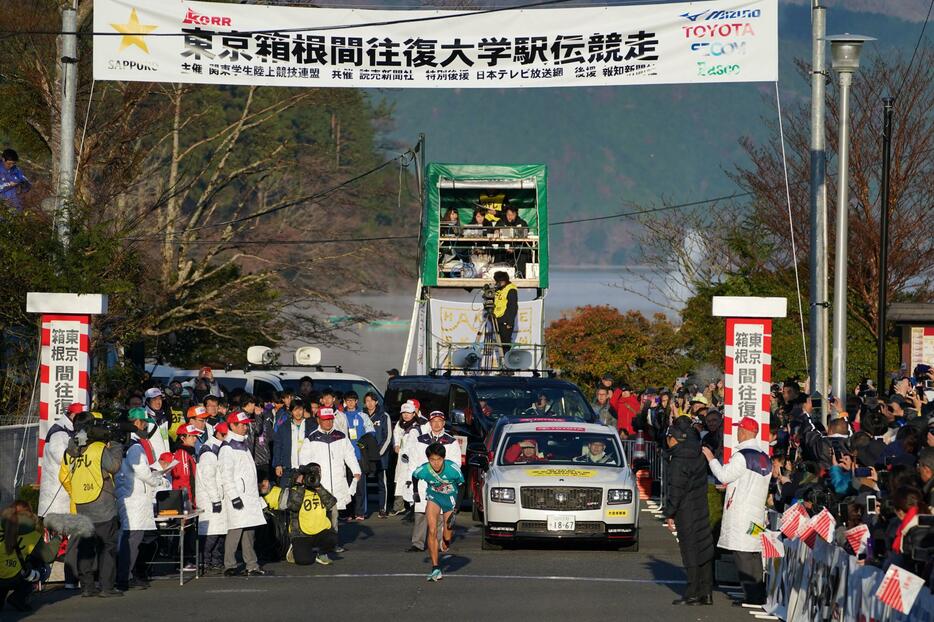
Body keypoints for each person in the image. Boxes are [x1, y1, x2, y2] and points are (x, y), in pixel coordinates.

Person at [701, 417, 771, 607]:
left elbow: (723, 475)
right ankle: (758, 593)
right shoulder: (764, 456)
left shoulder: (742, 456)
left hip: (742, 512)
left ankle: (751, 595)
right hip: (757, 512)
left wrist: (711, 458)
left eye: (738, 429)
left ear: (745, 432)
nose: (736, 433)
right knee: (754, 552)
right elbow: (748, 481)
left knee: (742, 553)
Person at [60, 412, 125, 598]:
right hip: (102, 503)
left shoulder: (70, 450)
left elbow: (64, 475)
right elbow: (114, 466)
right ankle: (107, 587)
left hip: (81, 502)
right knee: (107, 546)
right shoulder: (98, 447)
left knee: (86, 548)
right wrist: (117, 446)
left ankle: (87, 587)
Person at [115, 408, 169, 591]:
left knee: (132, 539)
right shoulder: (135, 446)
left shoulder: (126, 442)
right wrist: (157, 479)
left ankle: (128, 575)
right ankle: (124, 577)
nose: (146, 425)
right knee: (132, 540)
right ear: (136, 422)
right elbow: (142, 470)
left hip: (130, 494)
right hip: (135, 497)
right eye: (144, 422)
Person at [662, 417, 714, 606]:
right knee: (704, 546)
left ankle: (692, 591)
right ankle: (706, 592)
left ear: (675, 438)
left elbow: (676, 489)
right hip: (700, 504)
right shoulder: (698, 453)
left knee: (690, 548)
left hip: (685, 509)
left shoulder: (678, 459)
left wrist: (669, 513)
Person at [298, 408, 361, 551]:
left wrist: (356, 470)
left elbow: (349, 455)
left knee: (334, 514)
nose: (328, 422)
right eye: (325, 419)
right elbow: (304, 461)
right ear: (319, 420)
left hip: (338, 481)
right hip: (320, 485)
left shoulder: (341, 436)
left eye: (330, 419)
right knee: (319, 516)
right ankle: (316, 543)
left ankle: (333, 544)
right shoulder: (311, 438)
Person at [219, 411, 268, 576]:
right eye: (242, 424)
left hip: (248, 495)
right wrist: (234, 497)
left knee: (249, 531)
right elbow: (226, 475)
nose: (245, 426)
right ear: (232, 425)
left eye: (246, 424)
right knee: (236, 530)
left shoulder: (243, 444)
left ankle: (251, 564)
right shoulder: (227, 447)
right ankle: (229, 565)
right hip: (238, 495)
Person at [408, 411, 461, 553]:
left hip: (442, 483)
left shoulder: (451, 441)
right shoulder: (420, 440)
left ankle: (437, 543)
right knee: (420, 514)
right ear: (429, 423)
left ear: (444, 423)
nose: (436, 424)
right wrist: (413, 477)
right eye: (434, 421)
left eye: (439, 421)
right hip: (423, 481)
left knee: (439, 515)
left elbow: (456, 463)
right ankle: (417, 543)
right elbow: (413, 461)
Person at [411, 442, 465, 582]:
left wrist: (456, 509)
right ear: (428, 459)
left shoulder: (452, 468)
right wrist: (415, 492)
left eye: (439, 459)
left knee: (447, 533)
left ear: (444, 458)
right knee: (432, 530)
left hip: (450, 500)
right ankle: (435, 568)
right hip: (434, 497)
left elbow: (462, 486)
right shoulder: (424, 469)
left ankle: (446, 542)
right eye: (432, 460)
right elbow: (414, 476)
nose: (436, 463)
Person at [0, 501, 59, 612]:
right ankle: (19, 597)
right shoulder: (32, 535)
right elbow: (49, 556)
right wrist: (57, 538)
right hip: (16, 577)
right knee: (43, 568)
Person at [285, 463, 338, 566]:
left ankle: (321, 553)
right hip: (301, 533)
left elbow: (331, 503)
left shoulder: (320, 489)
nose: (314, 477)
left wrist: (318, 487)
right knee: (304, 561)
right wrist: (300, 486)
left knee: (333, 539)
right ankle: (294, 547)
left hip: (319, 530)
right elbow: (293, 507)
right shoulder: (296, 489)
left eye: (318, 473)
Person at [196, 421, 228, 574]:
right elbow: (208, 478)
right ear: (219, 434)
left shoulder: (220, 447)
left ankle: (216, 560)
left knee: (220, 531)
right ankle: (204, 561)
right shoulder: (209, 451)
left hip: (219, 495)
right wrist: (215, 499)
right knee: (211, 533)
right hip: (210, 498)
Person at [342, 391, 376, 520]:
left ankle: (360, 512)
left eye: (353, 400)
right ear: (345, 401)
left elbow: (371, 432)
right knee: (347, 484)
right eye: (348, 400)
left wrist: (363, 443)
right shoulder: (341, 416)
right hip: (345, 456)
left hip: (359, 456)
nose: (350, 403)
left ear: (356, 401)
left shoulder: (363, 416)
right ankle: (348, 512)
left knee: (360, 485)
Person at [391, 401, 424, 516]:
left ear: (414, 413)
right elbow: (396, 435)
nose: (406, 415)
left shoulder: (415, 428)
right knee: (400, 482)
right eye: (404, 412)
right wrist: (396, 445)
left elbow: (412, 445)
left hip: (411, 461)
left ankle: (412, 508)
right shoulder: (402, 424)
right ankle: (401, 506)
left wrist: (405, 453)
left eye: (408, 412)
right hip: (402, 460)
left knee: (410, 483)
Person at [365, 391, 393, 518]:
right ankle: (362, 510)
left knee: (382, 483)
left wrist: (378, 453)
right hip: (365, 456)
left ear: (376, 402)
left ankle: (383, 508)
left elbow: (388, 437)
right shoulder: (362, 415)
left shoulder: (384, 416)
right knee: (363, 483)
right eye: (367, 401)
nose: (369, 403)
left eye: (372, 400)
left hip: (381, 456)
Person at [273, 399, 310, 488]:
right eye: (295, 410)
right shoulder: (284, 426)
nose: (298, 412)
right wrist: (278, 464)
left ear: (303, 410)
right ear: (291, 411)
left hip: (306, 468)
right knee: (285, 497)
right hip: (288, 468)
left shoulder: (310, 425)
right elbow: (277, 446)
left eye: (300, 409)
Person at [495, 204, 530, 277]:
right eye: (508, 214)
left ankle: (520, 274)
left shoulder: (522, 222)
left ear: (516, 214)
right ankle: (498, 274)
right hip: (504, 247)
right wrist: (496, 231)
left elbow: (525, 234)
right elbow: (496, 232)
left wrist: (515, 248)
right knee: (497, 250)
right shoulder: (501, 222)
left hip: (517, 247)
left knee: (524, 252)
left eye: (512, 214)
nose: (510, 217)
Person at [492, 270, 518, 352]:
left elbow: (513, 307)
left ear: (503, 281)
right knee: (499, 343)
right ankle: (502, 360)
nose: (497, 283)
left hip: (505, 320)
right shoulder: (499, 289)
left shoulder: (511, 289)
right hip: (497, 318)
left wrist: (509, 322)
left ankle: (506, 361)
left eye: (498, 282)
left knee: (505, 343)